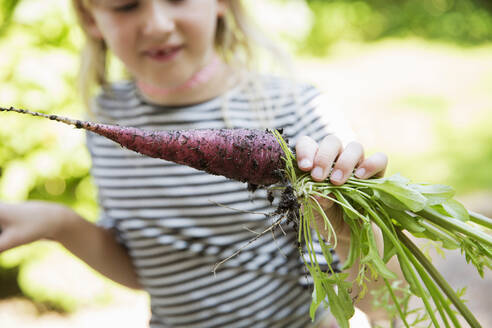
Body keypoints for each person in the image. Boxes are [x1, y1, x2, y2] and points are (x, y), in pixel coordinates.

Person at [0, 1, 395, 327]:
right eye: (125, 5)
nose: (157, 24)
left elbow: (381, 302)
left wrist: (350, 229)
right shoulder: (106, 118)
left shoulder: (293, 111)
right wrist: (59, 224)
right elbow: (148, 266)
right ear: (91, 18)